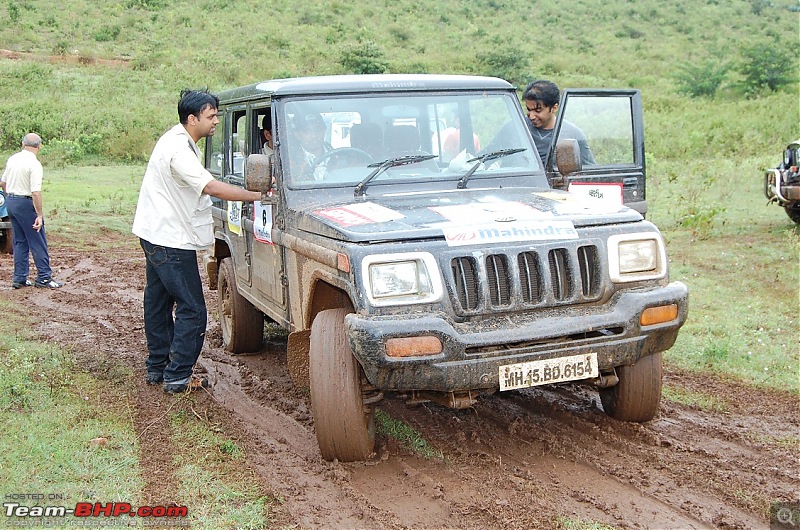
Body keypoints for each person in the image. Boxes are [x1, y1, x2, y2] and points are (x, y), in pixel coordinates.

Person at [132, 89, 262, 394]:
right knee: (193, 308)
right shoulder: (179, 150)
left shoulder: (175, 140)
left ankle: (158, 367)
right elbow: (211, 187)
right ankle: (177, 376)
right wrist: (256, 196)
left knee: (158, 302)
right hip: (170, 240)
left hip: (155, 234)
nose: (216, 120)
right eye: (211, 116)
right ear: (193, 119)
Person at [0, 133, 63, 289]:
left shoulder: (13, 159)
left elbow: (3, 183)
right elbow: (35, 192)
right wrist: (39, 215)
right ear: (40, 146)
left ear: (23, 144)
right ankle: (43, 277)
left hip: (11, 202)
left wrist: (10, 198)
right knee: (37, 240)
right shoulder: (34, 164)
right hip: (25, 202)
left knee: (20, 241)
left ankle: (19, 278)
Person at [522, 80, 595, 167]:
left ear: (554, 108)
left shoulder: (573, 134)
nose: (532, 116)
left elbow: (589, 171)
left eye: (538, 111)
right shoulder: (516, 127)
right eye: (529, 110)